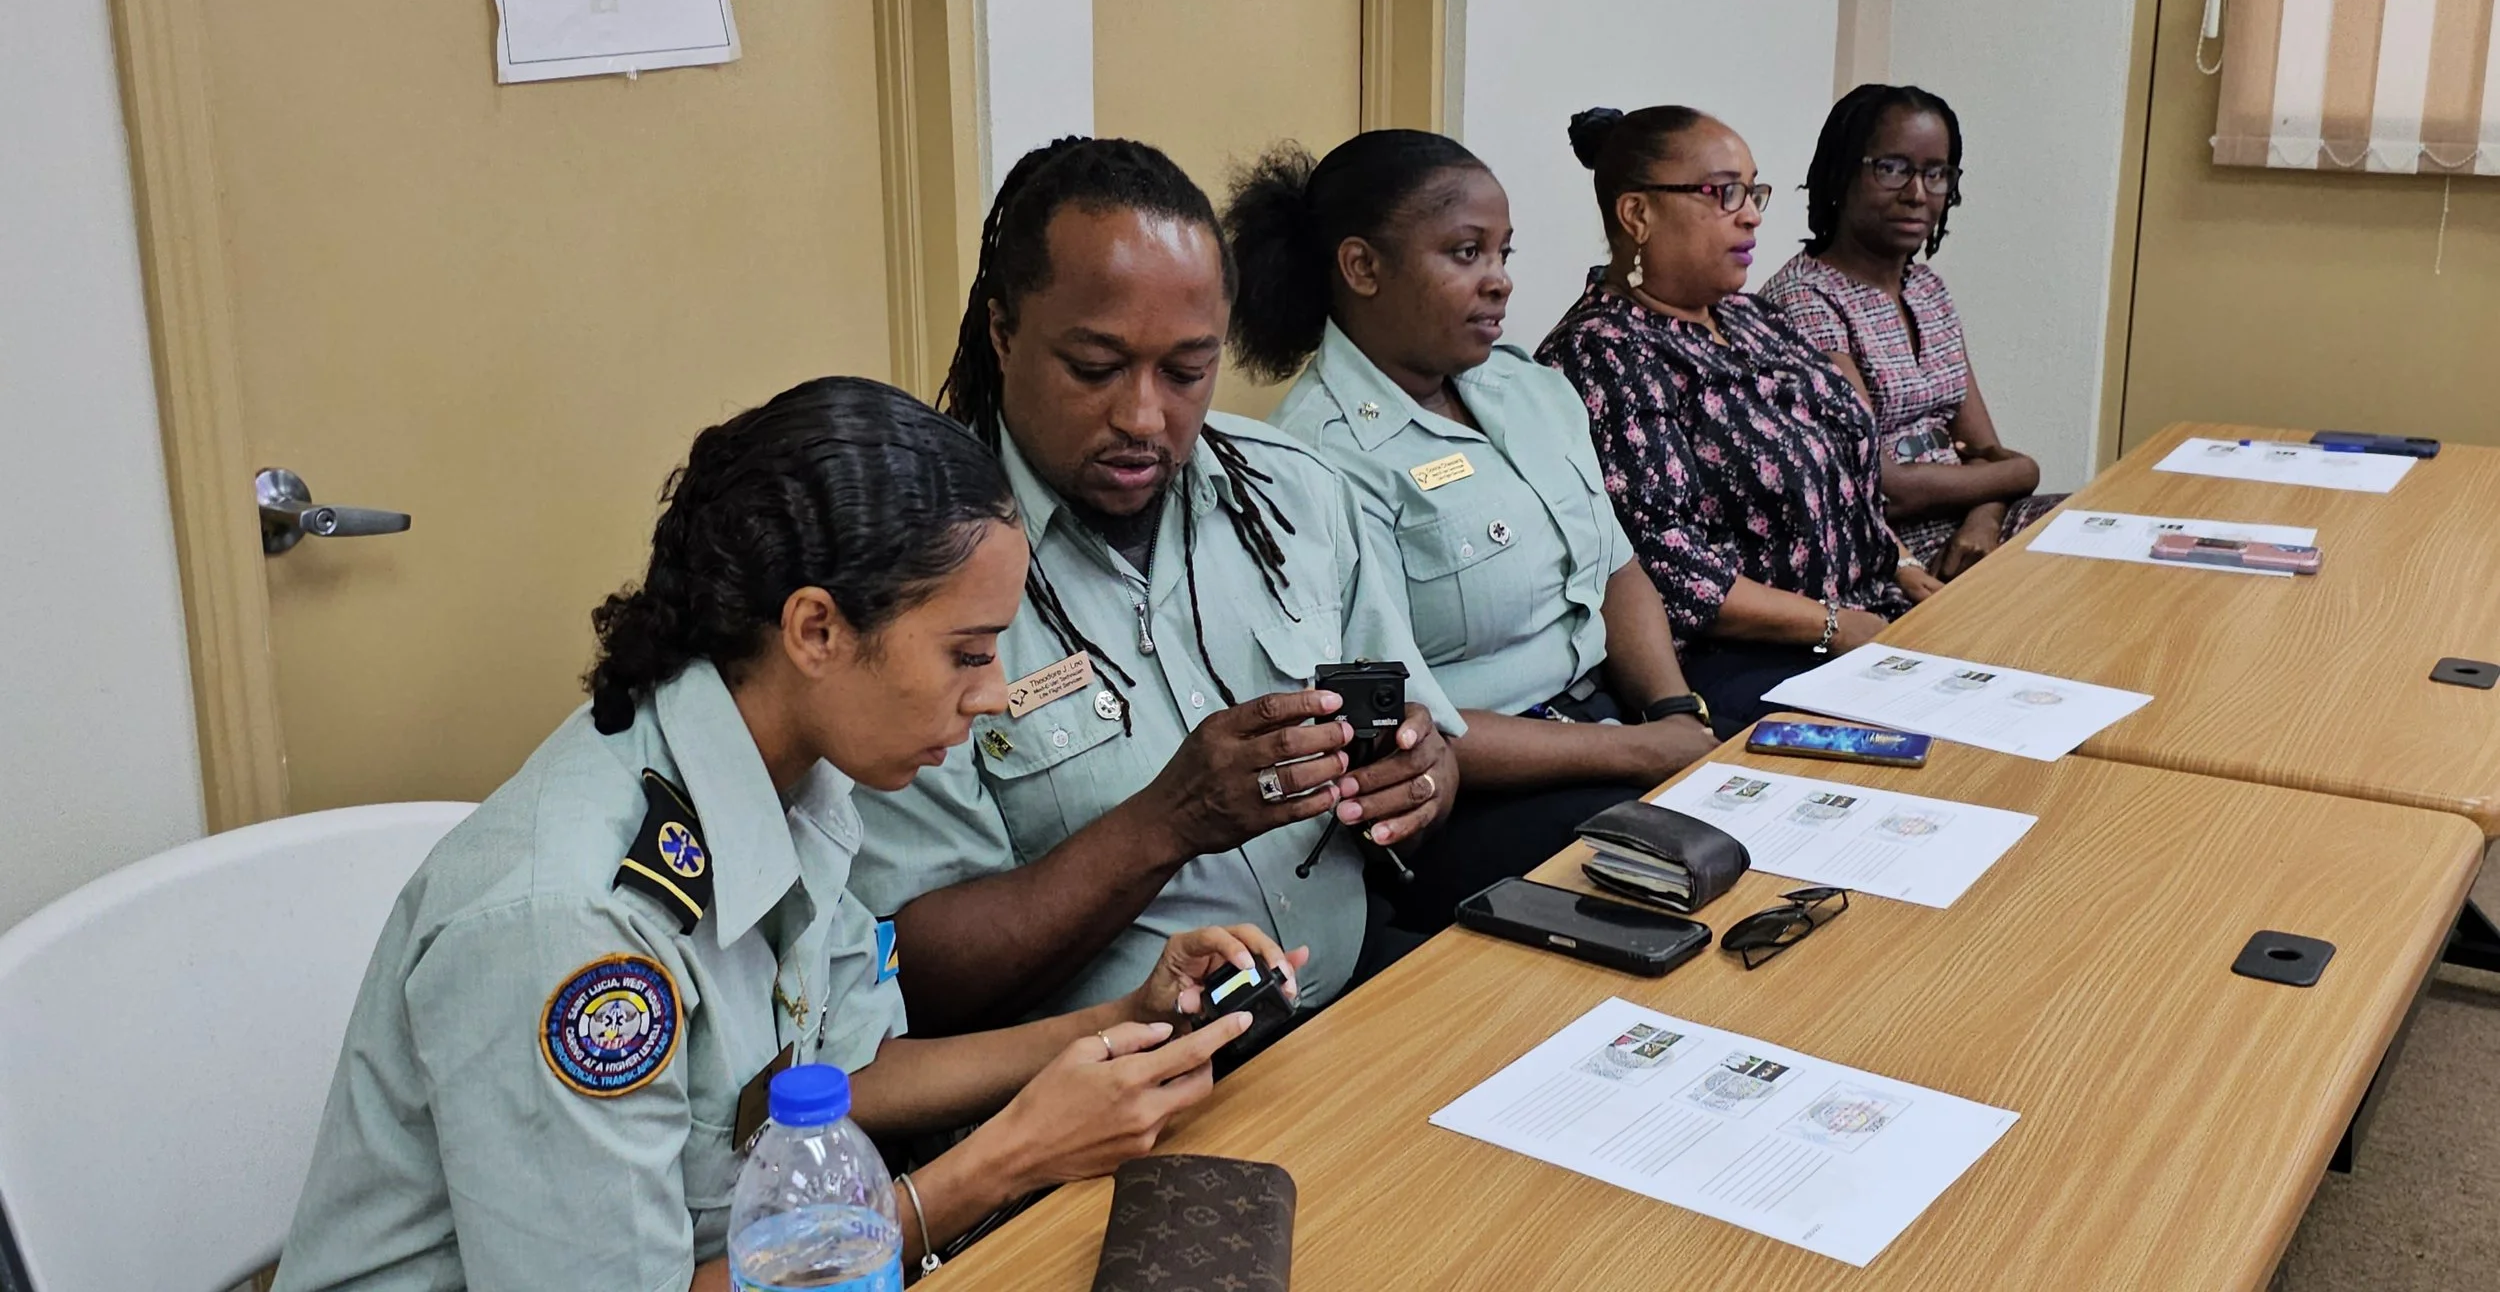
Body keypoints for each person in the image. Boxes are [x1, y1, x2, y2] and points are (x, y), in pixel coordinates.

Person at [272, 377, 1303, 1292]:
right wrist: (1003, 1159)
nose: (993, 695)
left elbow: (832, 1073)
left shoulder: (785, 769)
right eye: (966, 653)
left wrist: (1115, 1021)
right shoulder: (571, 925)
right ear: (817, 630)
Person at [849, 137, 1462, 1040]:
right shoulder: (914, 577)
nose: (1144, 418)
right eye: (1094, 368)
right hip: (1116, 1076)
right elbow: (910, 971)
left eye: (1187, 371)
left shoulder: (1295, 491)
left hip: (1354, 1000)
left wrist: (1419, 781)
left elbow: (1436, 745)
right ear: (1002, 330)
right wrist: (1166, 824)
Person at [1226, 130, 1717, 929]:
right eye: (1465, 254)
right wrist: (1643, 752)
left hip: (1625, 730)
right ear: (1363, 268)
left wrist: (1671, 710)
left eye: (1503, 254)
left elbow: (1618, 569)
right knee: (1679, 903)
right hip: (1477, 795)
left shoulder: (1532, 389)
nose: (1499, 283)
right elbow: (1405, 718)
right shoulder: (1314, 462)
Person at [1535, 105, 1942, 732]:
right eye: (1725, 193)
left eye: (1754, 192)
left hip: (1862, 617)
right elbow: (1666, 562)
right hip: (1740, 659)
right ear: (1637, 214)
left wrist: (1902, 564)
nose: (1750, 213)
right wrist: (1834, 626)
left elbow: (1843, 464)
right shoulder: (1602, 352)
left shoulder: (1751, 317)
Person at [1762, 84, 2062, 580]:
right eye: (1892, 169)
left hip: (1967, 530)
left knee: (2106, 535)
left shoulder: (1928, 289)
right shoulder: (1804, 299)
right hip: (1887, 555)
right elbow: (1880, 486)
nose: (1917, 193)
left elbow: (1987, 450)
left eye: (1935, 173)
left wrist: (1984, 520)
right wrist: (2023, 471)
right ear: (1841, 173)